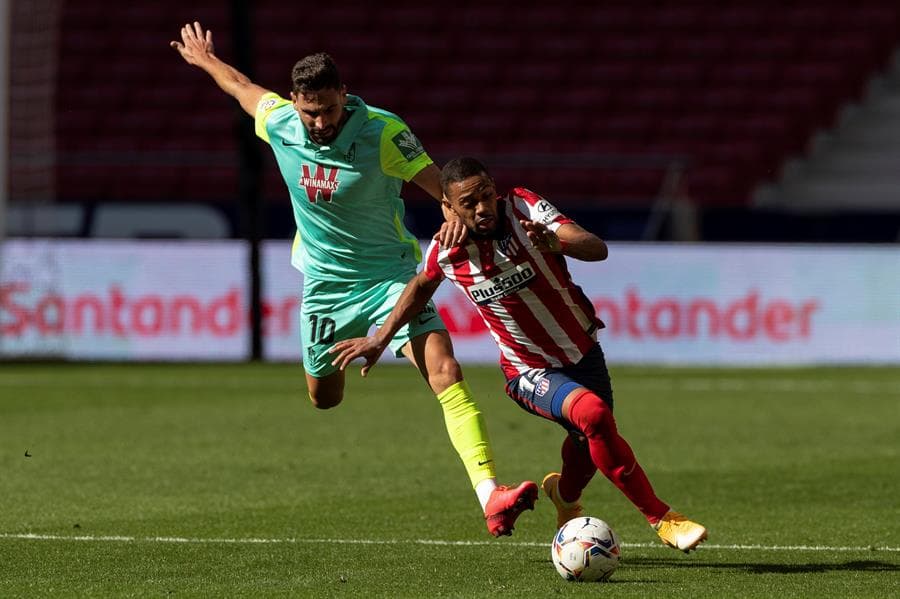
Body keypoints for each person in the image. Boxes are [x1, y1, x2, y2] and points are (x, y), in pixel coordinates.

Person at [170, 24, 537, 536]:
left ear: (344, 94)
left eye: (327, 109)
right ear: (295, 103)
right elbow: (241, 87)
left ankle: (490, 494)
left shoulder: (383, 132)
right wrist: (206, 60)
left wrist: (453, 213)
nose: (318, 121)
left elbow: (437, 182)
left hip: (390, 278)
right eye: (308, 111)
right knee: (324, 398)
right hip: (324, 288)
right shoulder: (281, 123)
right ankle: (345, 358)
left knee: (445, 371)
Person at [330, 157, 708, 552]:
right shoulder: (447, 249)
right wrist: (381, 337)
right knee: (593, 415)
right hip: (527, 369)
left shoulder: (525, 207)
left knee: (587, 443)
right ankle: (663, 519)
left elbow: (596, 248)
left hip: (583, 352)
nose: (482, 209)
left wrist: (555, 241)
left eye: (486, 196)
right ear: (448, 207)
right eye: (468, 203)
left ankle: (563, 495)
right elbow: (420, 287)